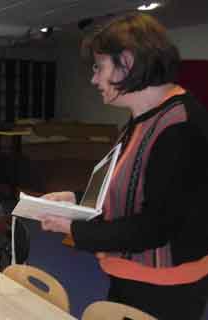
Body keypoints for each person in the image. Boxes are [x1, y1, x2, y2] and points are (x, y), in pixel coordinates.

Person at [38, 13, 208, 319]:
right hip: (130, 277)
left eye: (99, 67)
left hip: (164, 291)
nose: (94, 79)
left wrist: (76, 228)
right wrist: (77, 199)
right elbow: (127, 187)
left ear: (126, 63)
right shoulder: (142, 118)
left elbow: (155, 227)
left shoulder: (181, 126)